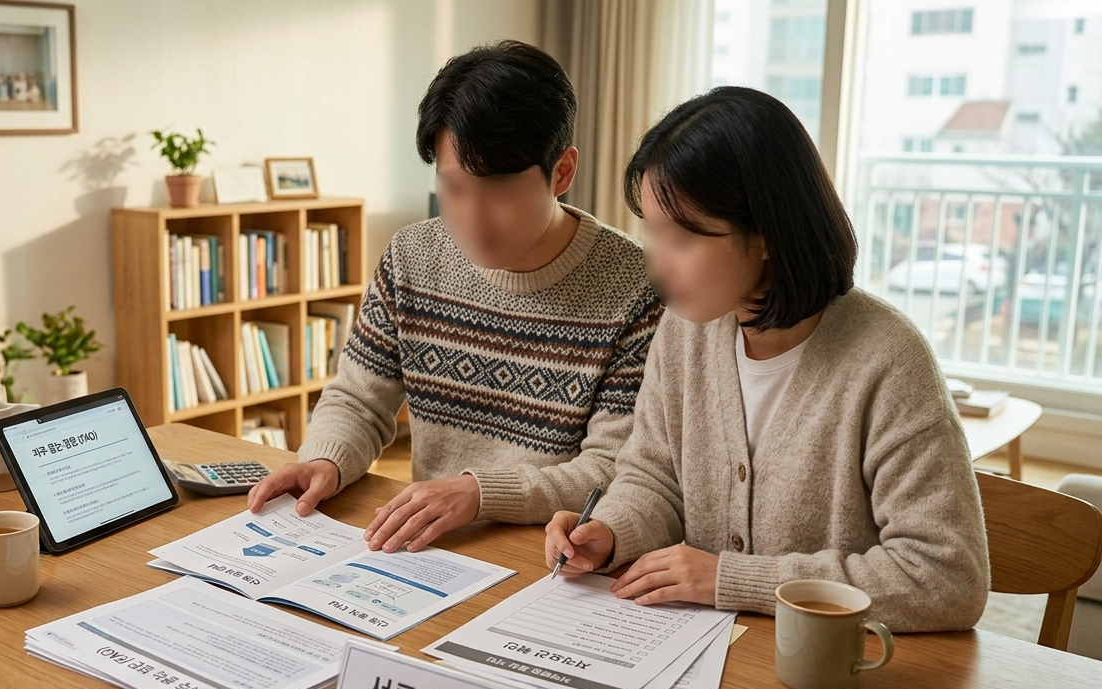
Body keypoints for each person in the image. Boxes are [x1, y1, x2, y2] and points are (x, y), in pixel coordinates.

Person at [544, 86, 989, 633]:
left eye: (681, 239)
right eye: (652, 233)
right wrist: (611, 530)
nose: (657, 264)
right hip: (707, 647)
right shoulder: (684, 330)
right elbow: (655, 477)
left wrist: (731, 578)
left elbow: (945, 577)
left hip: (832, 667)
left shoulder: (888, 361)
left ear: (766, 236)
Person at [247, 40, 663, 553]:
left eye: (499, 191)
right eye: (454, 188)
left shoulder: (638, 288)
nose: (472, 219)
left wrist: (480, 493)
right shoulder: (411, 257)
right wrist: (324, 460)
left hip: (559, 554)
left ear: (562, 171)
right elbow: (358, 400)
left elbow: (612, 469)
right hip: (432, 544)